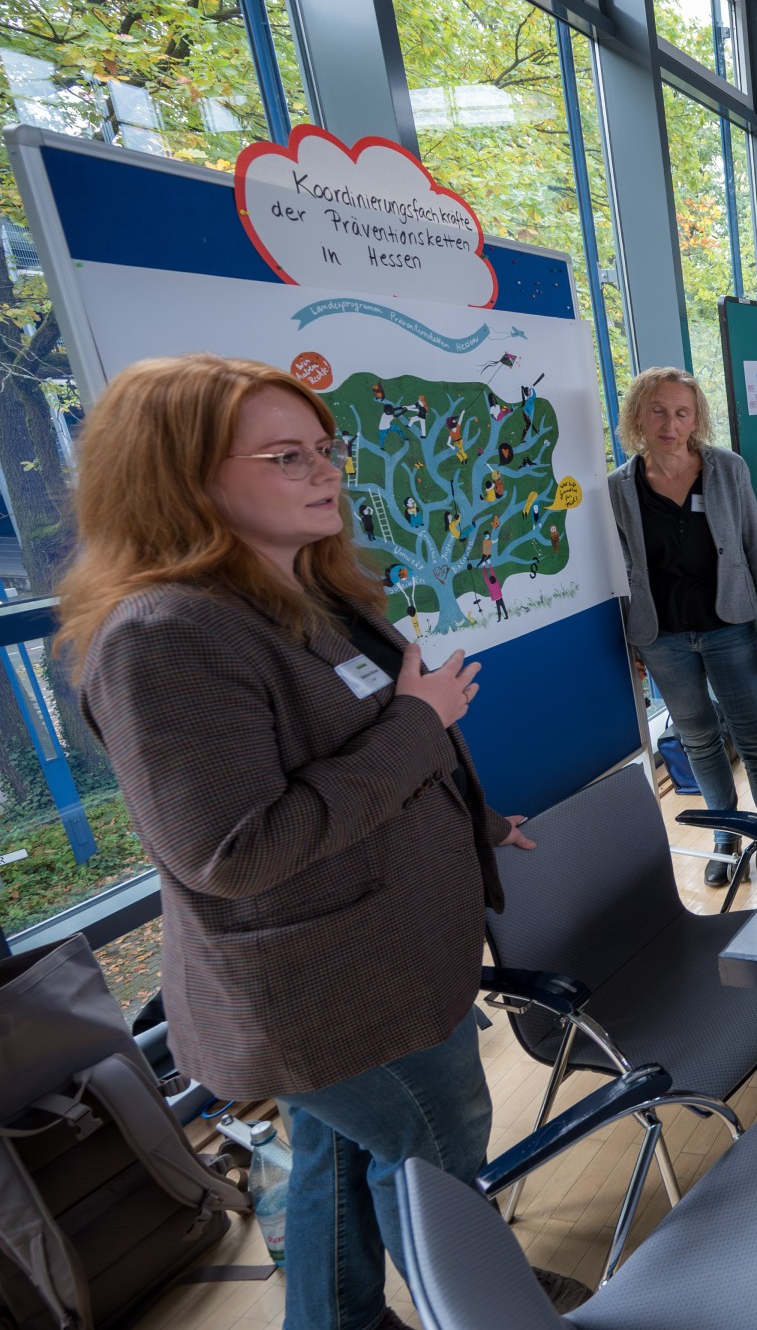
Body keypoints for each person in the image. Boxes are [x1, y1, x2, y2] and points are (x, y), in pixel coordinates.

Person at [58, 354, 583, 1330]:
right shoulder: (163, 636)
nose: (327, 472)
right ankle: (481, 1300)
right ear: (181, 478)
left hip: (381, 962)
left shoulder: (306, 587)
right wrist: (421, 726)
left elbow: (358, 746)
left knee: (343, 1155)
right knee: (433, 1151)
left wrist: (469, 817)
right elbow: (235, 846)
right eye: (287, 456)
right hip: (326, 992)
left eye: (325, 448)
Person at [608, 366, 757, 887]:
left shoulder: (727, 469)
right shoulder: (619, 487)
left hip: (729, 626)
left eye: (681, 412)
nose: (670, 422)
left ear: (696, 418)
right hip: (662, 637)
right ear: (638, 416)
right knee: (698, 739)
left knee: (756, 737)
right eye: (658, 411)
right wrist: (630, 638)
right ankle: (724, 833)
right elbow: (617, 570)